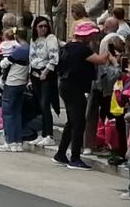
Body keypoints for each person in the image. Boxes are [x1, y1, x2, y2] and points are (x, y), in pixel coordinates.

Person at [54, 21, 114, 170]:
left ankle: (61, 153)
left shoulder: (67, 47)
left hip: (65, 85)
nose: (92, 38)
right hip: (75, 88)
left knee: (71, 121)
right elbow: (100, 60)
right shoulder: (82, 50)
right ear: (85, 36)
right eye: (91, 35)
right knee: (79, 123)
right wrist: (110, 53)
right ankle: (75, 157)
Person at [30, 16, 60, 146]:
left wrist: (46, 72)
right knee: (39, 104)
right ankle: (42, 132)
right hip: (34, 73)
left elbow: (54, 57)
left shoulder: (51, 39)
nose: (43, 29)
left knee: (45, 104)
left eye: (45, 26)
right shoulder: (33, 39)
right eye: (40, 26)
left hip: (46, 73)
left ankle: (49, 134)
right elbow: (30, 57)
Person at [0, 32, 30, 152]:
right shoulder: (29, 50)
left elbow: (4, 64)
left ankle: (10, 141)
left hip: (11, 84)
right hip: (22, 83)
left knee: (8, 114)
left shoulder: (19, 51)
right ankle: (17, 142)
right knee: (17, 114)